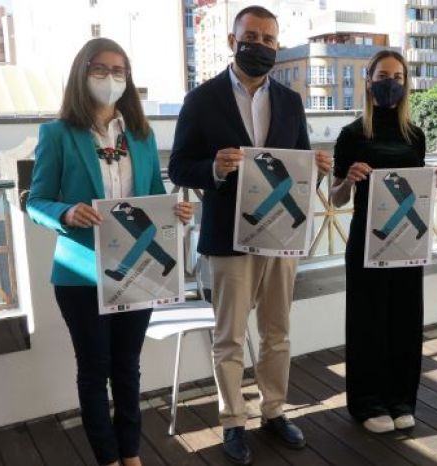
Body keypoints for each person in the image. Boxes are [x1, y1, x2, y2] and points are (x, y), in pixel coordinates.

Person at [168, 6, 331, 464]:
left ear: (277, 45)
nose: (259, 45)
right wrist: (214, 169)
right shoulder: (201, 99)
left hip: (282, 236)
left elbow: (299, 169)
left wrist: (316, 171)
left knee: (278, 332)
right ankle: (232, 421)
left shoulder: (291, 100)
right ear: (231, 40)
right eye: (251, 36)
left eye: (268, 38)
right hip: (228, 237)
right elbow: (178, 166)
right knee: (230, 337)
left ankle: (274, 411)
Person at [26, 38, 192, 466]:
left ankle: (131, 452)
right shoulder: (57, 134)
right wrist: (66, 213)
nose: (111, 78)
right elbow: (36, 200)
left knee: (127, 367)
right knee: (93, 369)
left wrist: (176, 210)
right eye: (101, 69)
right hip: (81, 274)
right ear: (82, 73)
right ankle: (107, 456)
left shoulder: (141, 134)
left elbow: (153, 196)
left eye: (119, 70)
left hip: (136, 269)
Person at [330, 50, 437, 434]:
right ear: (368, 80)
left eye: (398, 76)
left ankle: (401, 399)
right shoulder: (351, 134)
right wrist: (349, 179)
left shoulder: (415, 134)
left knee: (404, 321)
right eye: (384, 74)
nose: (391, 82)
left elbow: (417, 187)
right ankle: (367, 404)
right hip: (367, 240)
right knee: (368, 324)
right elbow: (335, 198)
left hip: (408, 242)